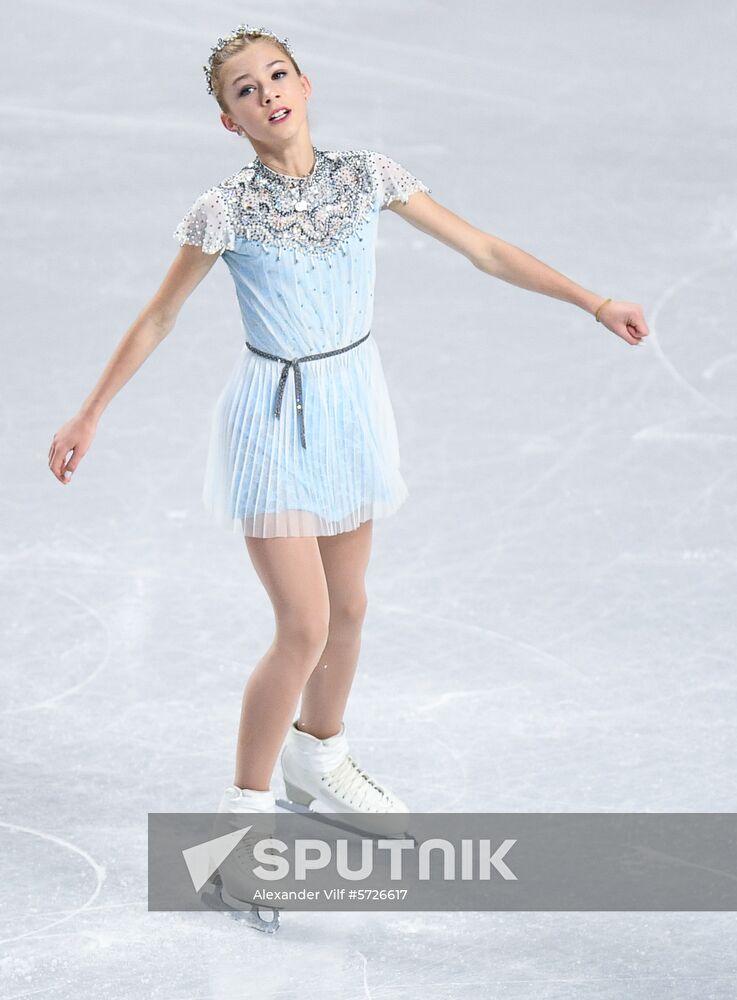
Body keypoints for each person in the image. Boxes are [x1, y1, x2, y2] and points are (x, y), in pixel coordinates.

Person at [47, 25, 649, 831]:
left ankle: (317, 756)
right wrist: (90, 412)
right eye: (245, 91)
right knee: (302, 625)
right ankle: (241, 819)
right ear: (232, 121)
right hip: (271, 418)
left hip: (350, 408)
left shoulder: (367, 178)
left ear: (305, 81)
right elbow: (159, 316)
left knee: (350, 609)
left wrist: (595, 302)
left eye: (276, 75)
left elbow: (484, 250)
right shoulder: (223, 210)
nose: (268, 94)